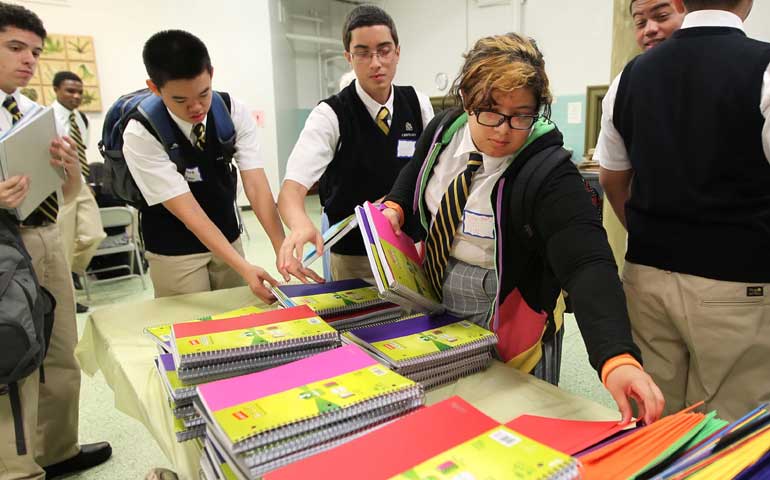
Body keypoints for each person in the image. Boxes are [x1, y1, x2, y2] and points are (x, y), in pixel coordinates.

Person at [381, 32, 665, 424]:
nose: (503, 129)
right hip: (438, 290)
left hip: (511, 305)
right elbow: (415, 172)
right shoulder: (444, 132)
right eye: (491, 111)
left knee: (510, 417)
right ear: (466, 98)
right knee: (443, 405)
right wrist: (397, 203)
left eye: (521, 115)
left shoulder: (548, 173)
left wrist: (616, 356)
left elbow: (586, 262)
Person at [595, 0, 770, 421]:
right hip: (737, 283)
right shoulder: (763, 67)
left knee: (652, 417)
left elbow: (611, 178)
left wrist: (643, 230)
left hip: (647, 276)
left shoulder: (629, 78)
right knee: (725, 432)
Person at [0, 3, 111, 478]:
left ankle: (58, 448)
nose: (28, 59)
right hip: (5, 245)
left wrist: (66, 169)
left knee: (61, 348)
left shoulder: (35, 112)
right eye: (15, 47)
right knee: (14, 353)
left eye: (35, 51)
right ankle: (17, 468)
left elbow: (68, 188)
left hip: (46, 234)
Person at [123, 30, 288, 301]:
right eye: (180, 100)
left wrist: (282, 247)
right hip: (175, 251)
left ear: (211, 73)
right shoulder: (141, 133)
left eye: (203, 93)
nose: (196, 107)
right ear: (154, 87)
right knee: (192, 330)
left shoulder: (231, 110)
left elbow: (256, 185)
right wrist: (245, 267)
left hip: (228, 234)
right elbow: (189, 213)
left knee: (240, 321)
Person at [277, 5, 434, 283]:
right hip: (355, 257)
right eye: (363, 53)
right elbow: (291, 190)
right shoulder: (330, 115)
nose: (375, 62)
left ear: (397, 52)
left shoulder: (417, 104)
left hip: (410, 249)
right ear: (348, 57)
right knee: (358, 325)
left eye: (384, 50)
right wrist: (300, 224)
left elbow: (431, 172)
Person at [598, 0, 686, 227]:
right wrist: (638, 232)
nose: (650, 29)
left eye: (662, 16)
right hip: (653, 244)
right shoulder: (624, 84)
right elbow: (612, 179)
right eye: (640, 23)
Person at [52, 70, 106, 313]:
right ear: (56, 90)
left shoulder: (81, 119)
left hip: (81, 182)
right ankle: (68, 300)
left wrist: (88, 184)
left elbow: (80, 154)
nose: (76, 96)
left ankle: (72, 270)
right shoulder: (46, 117)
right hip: (58, 184)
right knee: (62, 243)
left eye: (79, 92)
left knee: (93, 234)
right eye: (70, 91)